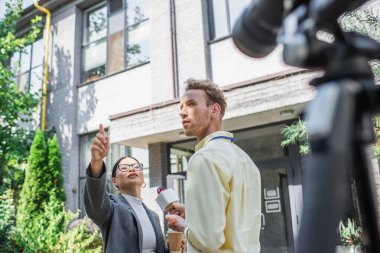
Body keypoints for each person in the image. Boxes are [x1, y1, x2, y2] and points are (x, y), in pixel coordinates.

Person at [165, 79, 262, 253]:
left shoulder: (204, 158)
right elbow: (235, 221)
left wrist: (183, 226)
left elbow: (207, 241)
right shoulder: (245, 159)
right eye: (180, 107)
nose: (182, 112)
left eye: (191, 104)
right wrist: (193, 213)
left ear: (214, 110)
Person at [84, 124, 168, 253]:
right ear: (115, 182)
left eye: (136, 166)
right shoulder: (112, 209)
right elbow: (96, 202)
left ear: (143, 178)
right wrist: (97, 161)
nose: (131, 168)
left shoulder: (153, 216)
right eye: (124, 168)